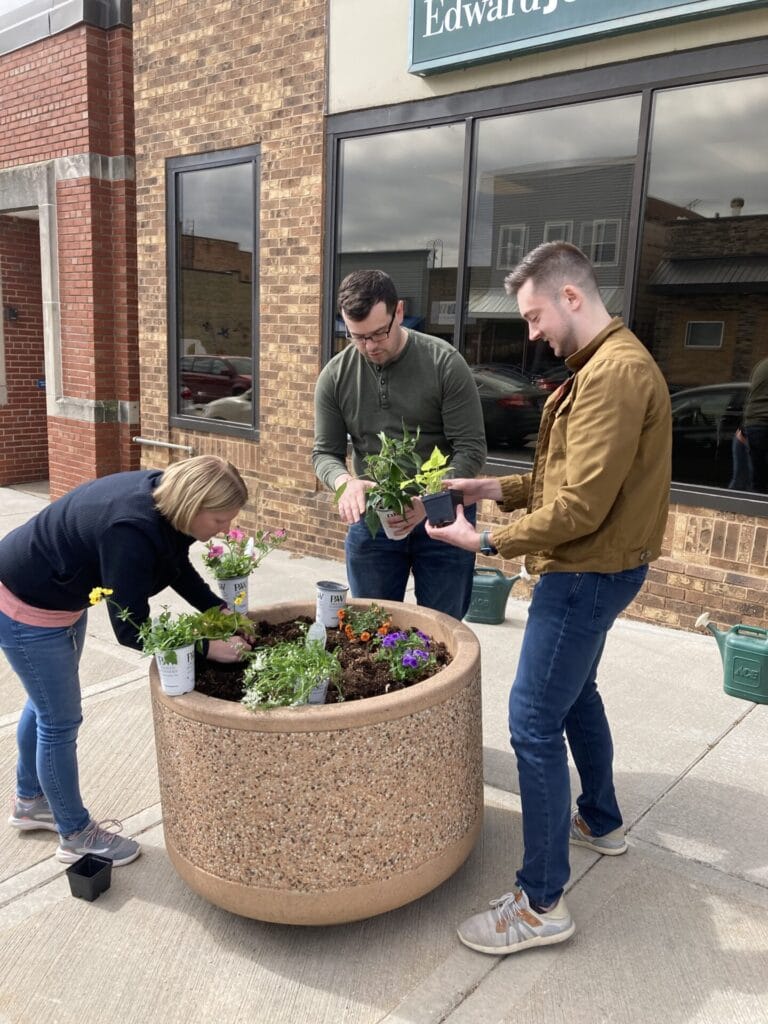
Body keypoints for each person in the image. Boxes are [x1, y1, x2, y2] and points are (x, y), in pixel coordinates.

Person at [425, 242, 671, 954]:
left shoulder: (614, 376)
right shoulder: (600, 367)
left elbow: (583, 508)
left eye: (533, 316)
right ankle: (599, 817)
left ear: (571, 297)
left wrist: (487, 544)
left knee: (533, 722)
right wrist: (489, 489)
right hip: (598, 567)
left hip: (586, 570)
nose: (529, 332)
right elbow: (565, 481)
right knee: (576, 695)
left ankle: (540, 903)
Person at [1, 455, 253, 867]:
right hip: (25, 607)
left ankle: (30, 802)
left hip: (58, 597)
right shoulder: (130, 529)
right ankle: (75, 834)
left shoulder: (165, 501)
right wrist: (208, 649)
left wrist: (217, 609)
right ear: (193, 504)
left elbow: (174, 564)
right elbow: (131, 629)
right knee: (59, 720)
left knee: (44, 704)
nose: (226, 529)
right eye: (221, 519)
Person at [313, 269, 487, 620]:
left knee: (444, 628)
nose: (370, 346)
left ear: (399, 312)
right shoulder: (334, 376)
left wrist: (428, 501)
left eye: (379, 332)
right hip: (373, 516)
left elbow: (470, 449)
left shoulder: (444, 363)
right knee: (373, 624)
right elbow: (325, 453)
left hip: (443, 514)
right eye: (357, 337)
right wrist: (344, 483)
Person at [743, 356, 768, 492]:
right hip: (764, 422)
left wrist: (742, 427)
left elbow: (750, 394)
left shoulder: (760, 364)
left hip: (753, 423)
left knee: (758, 477)